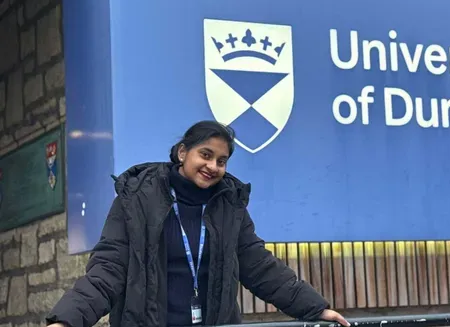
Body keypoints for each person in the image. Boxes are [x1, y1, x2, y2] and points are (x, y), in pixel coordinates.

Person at [46, 120, 349, 327]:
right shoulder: (136, 201)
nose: (213, 166)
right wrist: (67, 319)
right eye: (206, 155)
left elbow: (261, 268)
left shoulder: (229, 206)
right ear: (182, 153)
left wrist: (316, 308)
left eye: (222, 160)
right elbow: (107, 271)